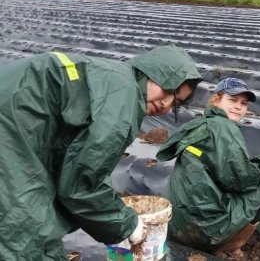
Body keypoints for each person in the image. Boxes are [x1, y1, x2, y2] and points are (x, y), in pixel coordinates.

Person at [0, 44, 202, 260]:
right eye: (168, 89)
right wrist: (128, 225)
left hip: (16, 118)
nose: (166, 104)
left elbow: (74, 162)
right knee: (24, 236)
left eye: (177, 102)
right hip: (10, 132)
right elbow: (81, 185)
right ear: (151, 72)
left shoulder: (109, 78)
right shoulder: (123, 94)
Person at [157, 77, 260, 259]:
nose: (238, 107)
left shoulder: (201, 124)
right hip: (204, 230)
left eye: (243, 103)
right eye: (232, 100)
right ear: (216, 100)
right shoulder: (223, 128)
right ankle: (228, 248)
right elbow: (243, 180)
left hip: (175, 227)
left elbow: (225, 168)